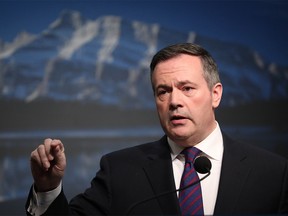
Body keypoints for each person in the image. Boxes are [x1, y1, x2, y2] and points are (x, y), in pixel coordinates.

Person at [26, 43, 288, 215]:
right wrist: (48, 188)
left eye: (187, 88)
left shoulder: (272, 173)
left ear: (215, 94)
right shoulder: (120, 170)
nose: (174, 101)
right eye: (163, 91)